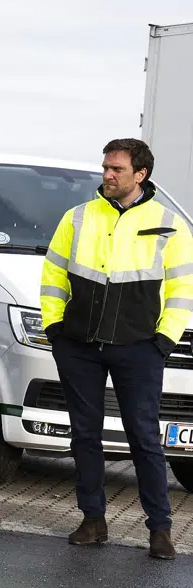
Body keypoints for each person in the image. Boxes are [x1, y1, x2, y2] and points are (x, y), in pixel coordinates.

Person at [40, 138, 193, 560]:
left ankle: (160, 528)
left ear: (140, 175)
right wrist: (55, 329)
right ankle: (92, 520)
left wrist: (164, 340)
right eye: (105, 167)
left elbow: (183, 289)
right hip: (79, 347)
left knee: (143, 437)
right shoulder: (77, 218)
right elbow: (52, 275)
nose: (107, 175)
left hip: (140, 348)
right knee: (84, 434)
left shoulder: (169, 223)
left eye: (117, 169)